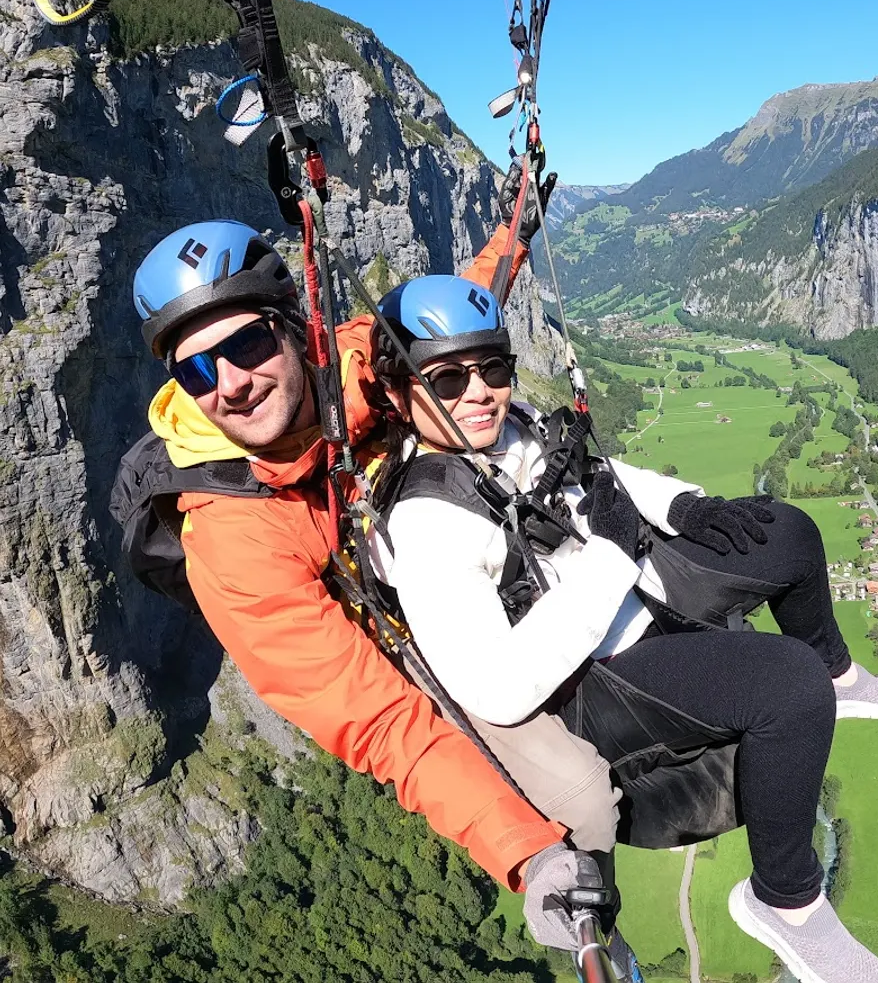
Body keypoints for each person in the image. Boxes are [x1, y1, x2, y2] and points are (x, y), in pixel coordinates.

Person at [110, 172, 614, 961]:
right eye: (198, 372)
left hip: (440, 557)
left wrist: (515, 230)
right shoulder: (231, 542)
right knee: (584, 805)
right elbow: (382, 720)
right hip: (395, 647)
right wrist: (530, 854)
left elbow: (442, 320)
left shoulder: (346, 362)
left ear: (292, 331)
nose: (232, 385)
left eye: (244, 346)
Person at [366, 273, 878, 983]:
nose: (478, 392)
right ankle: (788, 900)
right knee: (788, 685)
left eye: (491, 368)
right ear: (400, 391)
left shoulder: (510, 425)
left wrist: (682, 507)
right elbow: (497, 689)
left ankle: (839, 672)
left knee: (788, 532)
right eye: (446, 379)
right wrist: (615, 556)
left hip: (628, 584)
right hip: (594, 675)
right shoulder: (428, 522)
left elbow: (592, 474)